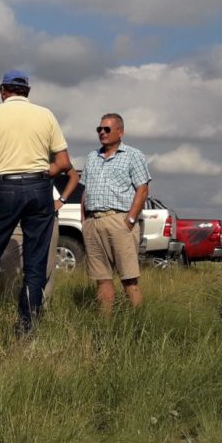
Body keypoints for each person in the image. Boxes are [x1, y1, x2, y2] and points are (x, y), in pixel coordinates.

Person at [0, 69, 72, 335]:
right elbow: (63, 162)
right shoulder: (45, 115)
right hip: (39, 188)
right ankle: (26, 326)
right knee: (36, 262)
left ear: (2, 90)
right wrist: (41, 173)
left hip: (5, 187)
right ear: (27, 91)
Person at [81, 113, 151, 312]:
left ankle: (138, 322)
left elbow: (142, 189)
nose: (102, 133)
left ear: (120, 132)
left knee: (129, 278)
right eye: (99, 129)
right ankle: (106, 323)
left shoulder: (133, 155)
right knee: (102, 278)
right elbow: (85, 190)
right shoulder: (92, 157)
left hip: (119, 220)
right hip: (93, 222)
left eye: (107, 129)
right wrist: (84, 219)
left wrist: (129, 220)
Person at [0, 165, 79, 302]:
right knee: (8, 260)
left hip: (44, 217)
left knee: (46, 267)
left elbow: (73, 175)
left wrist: (61, 200)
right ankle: (12, 304)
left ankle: (40, 307)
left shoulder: (49, 156)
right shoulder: (12, 155)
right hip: (15, 216)